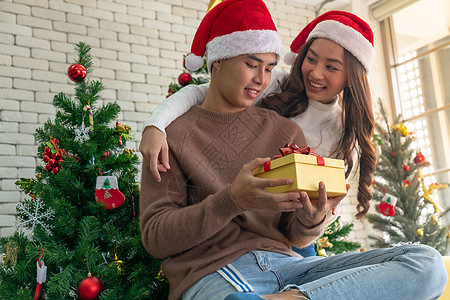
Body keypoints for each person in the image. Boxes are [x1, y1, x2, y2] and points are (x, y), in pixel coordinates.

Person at [140, 2, 448, 299]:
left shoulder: (288, 132)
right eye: (251, 65)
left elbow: (295, 235)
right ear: (217, 60)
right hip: (216, 272)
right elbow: (155, 239)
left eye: (269, 67)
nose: (261, 79)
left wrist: (312, 217)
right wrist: (232, 200)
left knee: (426, 264)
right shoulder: (173, 135)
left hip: (292, 268)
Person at [140, 10, 374, 222]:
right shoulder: (276, 83)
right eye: (311, 59)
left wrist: (313, 215)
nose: (315, 72)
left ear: (352, 78)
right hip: (238, 210)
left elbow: (326, 208)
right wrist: (156, 125)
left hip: (289, 228)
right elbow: (200, 92)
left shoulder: (342, 132)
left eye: (331, 67)